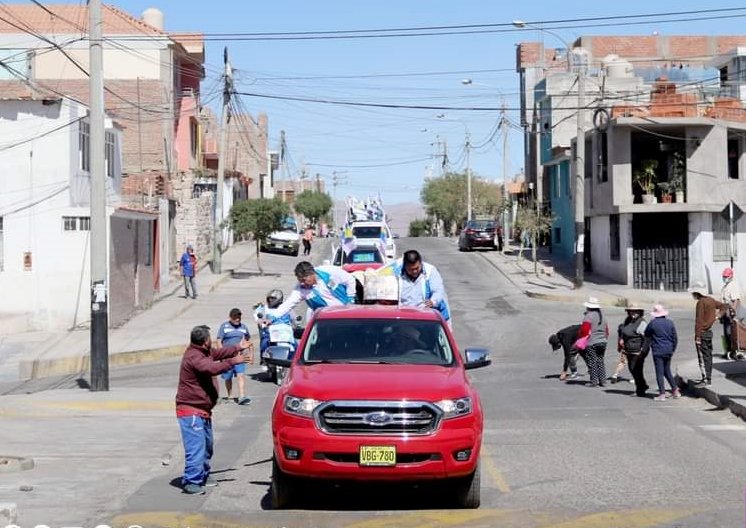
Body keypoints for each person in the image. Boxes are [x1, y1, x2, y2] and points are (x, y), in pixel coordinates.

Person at [175, 325, 252, 494]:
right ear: (204, 341)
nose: (211, 340)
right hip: (191, 410)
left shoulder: (204, 352)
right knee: (196, 447)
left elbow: (219, 353)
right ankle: (191, 481)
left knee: (207, 445)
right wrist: (233, 361)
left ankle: (202, 474)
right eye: (209, 338)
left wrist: (238, 348)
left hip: (202, 410)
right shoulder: (194, 357)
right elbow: (212, 368)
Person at [266, 261, 357, 321]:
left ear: (312, 274)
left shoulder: (328, 271)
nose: (302, 283)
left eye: (304, 280)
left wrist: (350, 299)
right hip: (327, 320)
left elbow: (350, 280)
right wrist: (272, 318)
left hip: (347, 313)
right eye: (300, 280)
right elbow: (287, 305)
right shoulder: (300, 289)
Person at [395, 250, 451, 326]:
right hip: (405, 317)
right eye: (411, 269)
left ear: (420, 262)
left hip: (428, 317)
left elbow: (438, 290)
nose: (414, 271)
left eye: (417, 268)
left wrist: (433, 301)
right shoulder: (396, 273)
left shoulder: (430, 271)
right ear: (405, 266)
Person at [689, 282, 725, 387]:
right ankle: (708, 378)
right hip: (709, 332)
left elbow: (699, 321)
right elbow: (723, 306)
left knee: (702, 357)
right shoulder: (711, 300)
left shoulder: (700, 303)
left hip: (702, 333)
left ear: (696, 293)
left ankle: (706, 379)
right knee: (708, 356)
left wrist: (698, 336)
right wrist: (718, 316)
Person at [644, 304, 681, 402]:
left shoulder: (653, 323)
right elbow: (675, 338)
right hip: (668, 350)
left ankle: (662, 394)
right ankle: (675, 390)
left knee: (659, 373)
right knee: (667, 370)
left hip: (658, 350)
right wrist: (672, 349)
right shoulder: (670, 323)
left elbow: (646, 334)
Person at [217, 308, 253, 405]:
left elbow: (248, 341)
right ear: (230, 317)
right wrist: (221, 355)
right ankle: (230, 395)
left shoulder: (244, 327)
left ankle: (242, 396)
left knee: (241, 375)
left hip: (239, 356)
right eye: (235, 317)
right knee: (228, 377)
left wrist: (250, 354)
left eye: (239, 316)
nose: (237, 319)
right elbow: (219, 341)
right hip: (227, 357)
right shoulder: (224, 326)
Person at [617, 304, 649, 396]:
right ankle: (643, 385)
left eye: (636, 311)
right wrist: (622, 339)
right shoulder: (628, 320)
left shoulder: (642, 323)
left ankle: (640, 390)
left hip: (638, 351)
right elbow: (624, 331)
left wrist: (643, 351)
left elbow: (646, 338)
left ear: (640, 312)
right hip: (628, 349)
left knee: (637, 370)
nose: (633, 313)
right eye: (631, 311)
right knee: (632, 369)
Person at [576, 297, 608, 388]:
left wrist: (581, 339)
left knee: (592, 361)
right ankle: (603, 380)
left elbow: (584, 330)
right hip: (602, 341)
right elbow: (606, 330)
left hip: (592, 341)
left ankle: (594, 381)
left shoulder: (588, 316)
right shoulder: (602, 316)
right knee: (600, 360)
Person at [720, 267, 742, 359]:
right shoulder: (725, 286)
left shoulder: (733, 285)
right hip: (725, 311)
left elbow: (736, 300)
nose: (724, 278)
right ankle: (727, 350)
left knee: (730, 333)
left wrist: (733, 312)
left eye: (726, 276)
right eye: (723, 276)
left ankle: (734, 351)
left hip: (730, 312)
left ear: (730, 276)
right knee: (725, 333)